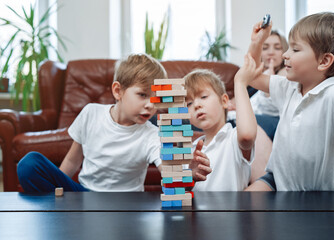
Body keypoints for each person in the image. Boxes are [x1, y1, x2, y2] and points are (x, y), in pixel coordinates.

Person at [17, 53, 209, 192]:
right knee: (29, 164)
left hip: (125, 206)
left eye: (156, 98)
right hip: (85, 196)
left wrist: (187, 172)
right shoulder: (90, 113)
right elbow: (73, 160)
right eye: (142, 95)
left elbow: (166, 170)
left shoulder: (151, 134)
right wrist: (58, 187)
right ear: (118, 91)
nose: (150, 105)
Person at [241, 12, 334, 191]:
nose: (285, 55)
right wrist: (257, 42)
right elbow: (253, 78)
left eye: (295, 49)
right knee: (243, 204)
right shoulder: (288, 87)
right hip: (276, 181)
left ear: (324, 61)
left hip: (317, 193)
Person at [185, 64, 261, 191]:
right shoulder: (191, 150)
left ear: (224, 101)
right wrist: (190, 176)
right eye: (189, 103)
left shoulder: (233, 138)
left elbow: (247, 135)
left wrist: (240, 83)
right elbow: (179, 192)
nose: (196, 105)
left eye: (203, 97)